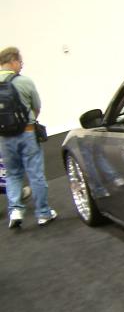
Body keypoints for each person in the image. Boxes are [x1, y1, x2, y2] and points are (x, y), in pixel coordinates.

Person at [0, 47, 57, 228]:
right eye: (20, 62)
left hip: (4, 137)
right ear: (13, 61)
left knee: (12, 174)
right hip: (27, 132)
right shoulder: (25, 81)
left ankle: (15, 211)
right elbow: (37, 106)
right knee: (35, 174)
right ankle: (43, 213)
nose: (21, 65)